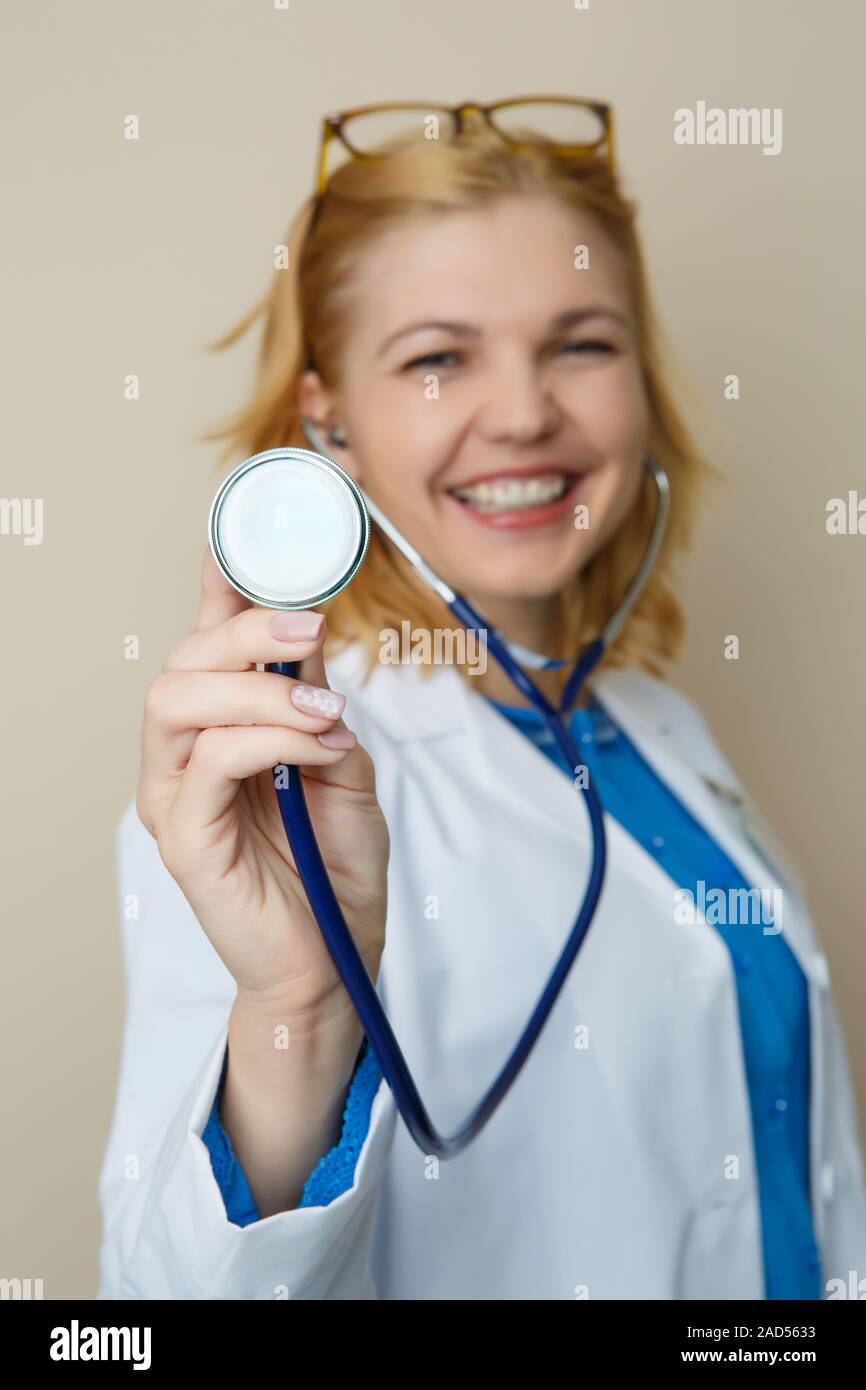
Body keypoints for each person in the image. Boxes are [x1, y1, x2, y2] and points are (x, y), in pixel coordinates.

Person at [97, 98, 866, 1300]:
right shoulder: (268, 781)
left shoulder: (660, 728)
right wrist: (297, 1004)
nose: (522, 411)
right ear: (327, 426)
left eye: (581, 343)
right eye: (437, 356)